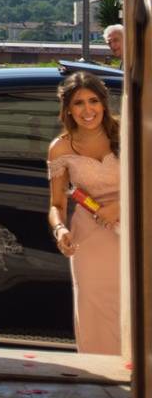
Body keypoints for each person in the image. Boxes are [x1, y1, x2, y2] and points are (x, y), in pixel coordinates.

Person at [47, 72, 121, 355]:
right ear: (68, 109)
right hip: (89, 237)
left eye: (93, 101)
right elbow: (56, 204)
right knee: (96, 312)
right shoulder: (60, 148)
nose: (87, 110)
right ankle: (101, 382)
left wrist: (121, 206)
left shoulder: (128, 131)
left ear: (104, 103)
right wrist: (60, 230)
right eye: (79, 103)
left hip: (136, 230)